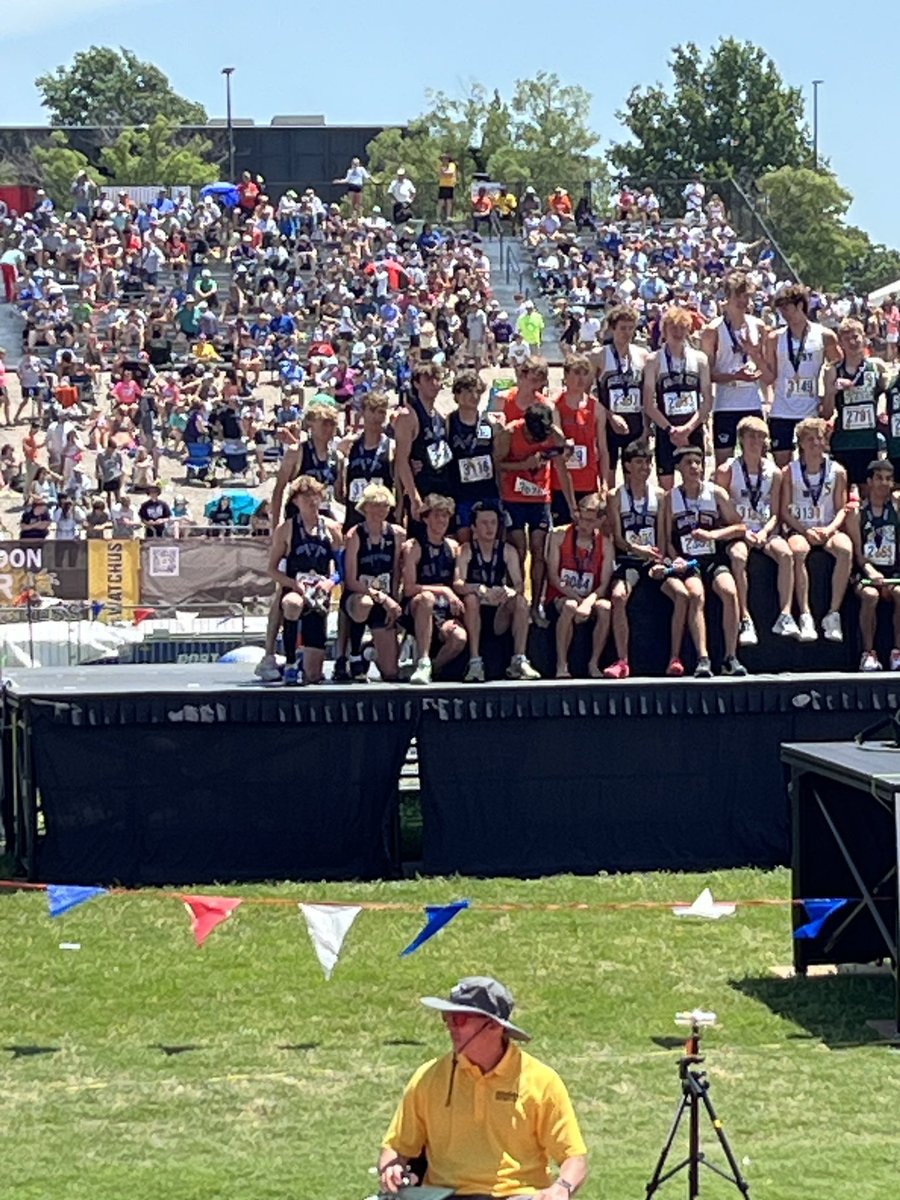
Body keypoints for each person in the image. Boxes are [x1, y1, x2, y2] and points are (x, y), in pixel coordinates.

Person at [379, 976, 587, 1198]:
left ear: (494, 1026)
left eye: (460, 1019)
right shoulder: (427, 1078)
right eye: (447, 1018)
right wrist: (391, 1166)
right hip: (445, 1196)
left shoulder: (542, 1082)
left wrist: (561, 1188)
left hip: (517, 1195)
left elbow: (574, 1158)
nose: (451, 1027)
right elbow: (396, 1148)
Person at [659, 446, 747, 678]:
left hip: (712, 557)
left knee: (729, 591)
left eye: (698, 462)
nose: (695, 467)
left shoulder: (716, 493)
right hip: (688, 563)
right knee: (696, 595)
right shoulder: (671, 498)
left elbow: (739, 527)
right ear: (678, 467)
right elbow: (666, 539)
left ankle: (730, 656)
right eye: (688, 463)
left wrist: (713, 535)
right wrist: (675, 558)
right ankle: (703, 657)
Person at [714, 415, 798, 644]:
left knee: (786, 553)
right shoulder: (726, 470)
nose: (755, 441)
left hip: (764, 530)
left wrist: (763, 532)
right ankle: (745, 618)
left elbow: (775, 513)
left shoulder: (774, 472)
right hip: (737, 531)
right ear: (741, 439)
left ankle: (786, 614)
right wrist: (742, 531)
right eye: (751, 436)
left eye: (760, 436)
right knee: (738, 557)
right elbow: (720, 512)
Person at [495, 402, 577, 627]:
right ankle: (517, 600)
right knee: (519, 550)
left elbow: (562, 468)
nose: (535, 441)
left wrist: (572, 505)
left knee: (540, 550)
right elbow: (497, 465)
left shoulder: (554, 434)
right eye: (532, 437)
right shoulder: (511, 432)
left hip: (540, 498)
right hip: (514, 498)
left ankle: (536, 604)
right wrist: (524, 464)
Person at [779, 416, 852, 642]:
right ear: (800, 443)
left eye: (818, 438)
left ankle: (833, 613)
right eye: (808, 439)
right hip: (801, 529)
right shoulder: (789, 471)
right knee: (798, 551)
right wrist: (803, 530)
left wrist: (830, 529)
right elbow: (784, 511)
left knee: (845, 549)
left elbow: (842, 509)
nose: (814, 443)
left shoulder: (837, 470)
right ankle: (805, 615)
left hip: (827, 528)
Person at [267, 475, 343, 686]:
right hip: (296, 589)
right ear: (295, 501)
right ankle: (291, 663)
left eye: (314, 495)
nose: (311, 500)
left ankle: (305, 663)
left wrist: (330, 582)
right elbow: (271, 569)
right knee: (292, 604)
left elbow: (342, 568)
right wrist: (293, 584)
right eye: (304, 496)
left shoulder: (332, 528)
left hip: (319, 593)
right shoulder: (287, 530)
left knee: (313, 676)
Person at [455, 501, 541, 682]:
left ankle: (519, 659)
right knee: (470, 599)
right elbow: (458, 583)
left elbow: (518, 583)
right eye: (484, 523)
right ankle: (475, 661)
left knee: (520, 601)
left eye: (493, 523)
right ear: (474, 527)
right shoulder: (466, 550)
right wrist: (478, 589)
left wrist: (509, 592)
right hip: (475, 608)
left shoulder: (507, 551)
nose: (489, 528)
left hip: (498, 612)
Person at [699, 271, 772, 464]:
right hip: (725, 403)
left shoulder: (759, 326)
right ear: (727, 297)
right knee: (723, 461)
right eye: (738, 295)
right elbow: (707, 374)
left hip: (752, 401)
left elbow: (767, 371)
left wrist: (768, 400)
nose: (743, 301)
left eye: (747, 296)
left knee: (759, 460)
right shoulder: (712, 330)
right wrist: (733, 376)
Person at [765, 284, 840, 466]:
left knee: (811, 464)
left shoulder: (824, 335)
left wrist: (828, 396)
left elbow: (837, 364)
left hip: (810, 409)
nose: (783, 313)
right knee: (782, 465)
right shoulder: (775, 338)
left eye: (786, 308)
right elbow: (769, 374)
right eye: (780, 309)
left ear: (800, 306)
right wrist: (767, 400)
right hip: (781, 410)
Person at [608, 441, 665, 678]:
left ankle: (676, 656)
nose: (645, 467)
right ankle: (622, 660)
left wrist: (660, 560)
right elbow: (617, 538)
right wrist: (638, 550)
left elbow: (662, 535)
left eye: (648, 462)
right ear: (628, 466)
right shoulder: (615, 496)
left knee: (682, 594)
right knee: (618, 596)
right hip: (628, 560)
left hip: (652, 561)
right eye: (640, 462)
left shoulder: (660, 495)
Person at [545, 493, 615, 679]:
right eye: (582, 518)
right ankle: (562, 663)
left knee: (606, 608)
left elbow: (603, 585)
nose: (584, 525)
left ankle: (594, 662)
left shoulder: (606, 544)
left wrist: (587, 603)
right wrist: (577, 600)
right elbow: (553, 576)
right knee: (570, 606)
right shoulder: (560, 535)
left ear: (601, 521)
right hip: (562, 594)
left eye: (590, 521)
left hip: (590, 596)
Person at [643, 306, 713, 491]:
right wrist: (671, 430)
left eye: (683, 327)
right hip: (666, 431)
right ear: (664, 330)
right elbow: (649, 404)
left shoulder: (700, 360)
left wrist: (688, 429)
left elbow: (707, 401)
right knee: (666, 487)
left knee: (696, 483)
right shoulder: (653, 360)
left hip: (692, 429)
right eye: (673, 327)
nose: (678, 332)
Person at [401, 493, 467, 686]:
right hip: (417, 607)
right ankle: (422, 660)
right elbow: (409, 589)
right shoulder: (414, 546)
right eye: (437, 515)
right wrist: (444, 591)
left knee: (459, 638)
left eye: (445, 515)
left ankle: (433, 667)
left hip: (444, 612)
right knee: (427, 598)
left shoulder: (454, 547)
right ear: (426, 517)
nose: (442, 520)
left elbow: (458, 582)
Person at [342, 483, 404, 682]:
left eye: (385, 506)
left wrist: (393, 601)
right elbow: (350, 580)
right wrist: (382, 597)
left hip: (385, 598)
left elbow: (396, 572)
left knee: (391, 673)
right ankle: (354, 655)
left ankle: (369, 648)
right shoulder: (355, 535)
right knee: (364, 604)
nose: (380, 510)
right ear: (365, 507)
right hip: (359, 595)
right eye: (375, 505)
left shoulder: (396, 534)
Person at [822, 317, 888, 494]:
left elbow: (887, 396)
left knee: (869, 494)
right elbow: (826, 412)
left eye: (856, 336)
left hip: (869, 442)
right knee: (841, 495)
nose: (852, 342)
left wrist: (882, 411)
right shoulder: (833, 370)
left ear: (864, 338)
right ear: (840, 343)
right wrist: (832, 391)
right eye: (847, 338)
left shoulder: (877, 367)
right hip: (844, 443)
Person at [847, 459, 900, 671]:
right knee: (871, 596)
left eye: (888, 479)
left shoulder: (896, 508)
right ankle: (868, 653)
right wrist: (871, 571)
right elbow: (859, 555)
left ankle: (897, 652)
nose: (883, 483)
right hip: (866, 573)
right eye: (878, 478)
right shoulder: (857, 513)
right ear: (869, 481)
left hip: (893, 572)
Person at [394, 361, 453, 535]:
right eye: (428, 379)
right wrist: (414, 497)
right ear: (416, 383)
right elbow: (402, 461)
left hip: (443, 485)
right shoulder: (408, 416)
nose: (434, 384)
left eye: (436, 379)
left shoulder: (440, 413)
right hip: (423, 488)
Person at [596, 306, 648, 489]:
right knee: (608, 472)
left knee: (635, 473)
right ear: (612, 329)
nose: (627, 333)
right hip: (609, 425)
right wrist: (610, 416)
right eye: (622, 328)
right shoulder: (599, 356)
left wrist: (646, 428)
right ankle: (611, 512)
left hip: (634, 423)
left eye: (630, 328)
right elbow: (588, 396)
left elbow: (647, 395)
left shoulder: (643, 356)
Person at [552, 355, 606, 525]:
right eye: (576, 373)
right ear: (566, 376)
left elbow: (602, 449)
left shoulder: (595, 407)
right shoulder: (555, 405)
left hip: (588, 482)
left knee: (587, 533)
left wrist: (604, 483)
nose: (581, 378)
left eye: (585, 373)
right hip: (560, 484)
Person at [448, 370, 499, 538]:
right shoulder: (448, 423)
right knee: (464, 540)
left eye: (477, 391)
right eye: (468, 391)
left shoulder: (488, 424)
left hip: (487, 492)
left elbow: (495, 455)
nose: (474, 395)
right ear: (457, 395)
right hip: (461, 493)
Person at [340, 391, 395, 530]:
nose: (377, 417)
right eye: (372, 410)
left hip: (382, 522)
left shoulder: (392, 447)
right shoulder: (349, 445)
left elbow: (399, 489)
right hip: (354, 520)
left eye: (382, 412)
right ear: (363, 412)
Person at [437, 154, 458, 223]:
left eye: (446, 159)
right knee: (441, 201)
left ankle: (448, 216)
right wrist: (445, 173)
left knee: (449, 201)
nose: (444, 160)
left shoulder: (452, 165)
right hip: (442, 185)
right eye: (443, 159)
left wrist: (444, 173)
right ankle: (438, 217)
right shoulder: (441, 166)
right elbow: (440, 174)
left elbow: (450, 173)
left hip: (450, 185)